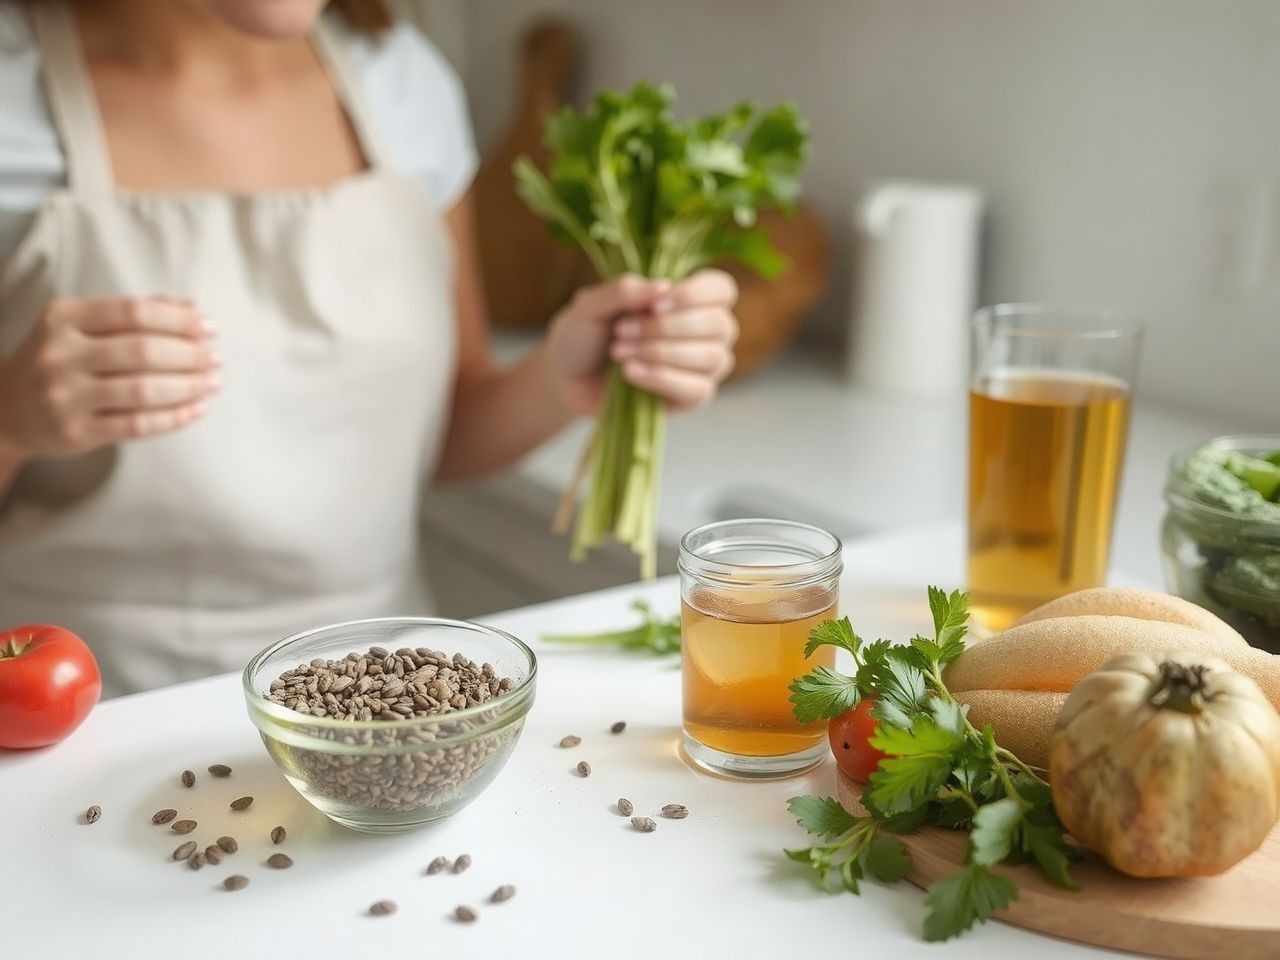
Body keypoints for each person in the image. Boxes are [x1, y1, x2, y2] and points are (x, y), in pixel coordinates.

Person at [0, 0, 739, 697]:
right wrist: (10, 417)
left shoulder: (400, 82)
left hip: (379, 713)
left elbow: (443, 434)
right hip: (75, 713)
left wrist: (565, 379)